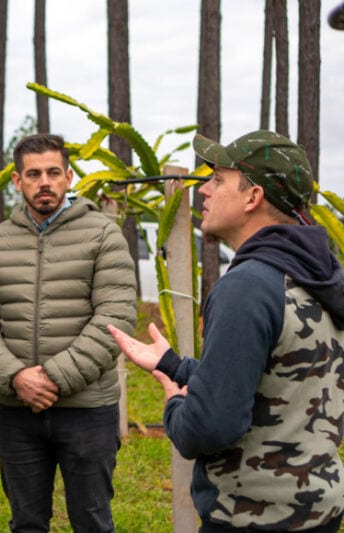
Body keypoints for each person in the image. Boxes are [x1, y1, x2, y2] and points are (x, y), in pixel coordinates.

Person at [108, 130, 344, 532]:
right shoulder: (321, 276)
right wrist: (174, 366)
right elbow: (280, 381)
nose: (205, 192)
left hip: (252, 515)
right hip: (318, 508)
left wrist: (175, 407)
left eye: (218, 180)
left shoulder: (249, 285)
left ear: (252, 198)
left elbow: (210, 426)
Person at [0, 133, 137, 532]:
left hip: (88, 409)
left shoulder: (103, 235)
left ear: (69, 176)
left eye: (54, 172)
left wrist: (52, 377)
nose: (45, 182)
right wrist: (15, 377)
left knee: (92, 520)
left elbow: (115, 317)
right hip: (16, 410)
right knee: (26, 522)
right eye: (34, 173)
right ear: (16, 180)